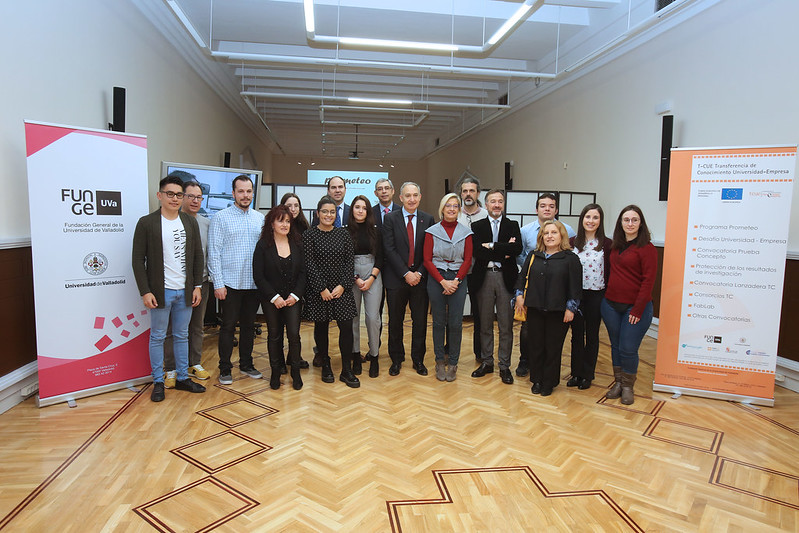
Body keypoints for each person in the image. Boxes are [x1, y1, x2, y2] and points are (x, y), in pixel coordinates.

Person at [132, 175, 206, 402]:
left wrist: (196, 286)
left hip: (185, 291)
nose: (175, 199)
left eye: (179, 195)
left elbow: (197, 256)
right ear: (160, 195)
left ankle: (183, 377)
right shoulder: (147, 223)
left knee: (182, 335)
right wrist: (145, 291)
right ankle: (158, 381)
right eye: (170, 194)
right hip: (160, 292)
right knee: (158, 336)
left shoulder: (189, 222)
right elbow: (137, 259)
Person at [208, 175, 265, 385]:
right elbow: (213, 252)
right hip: (230, 284)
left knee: (249, 326)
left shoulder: (260, 219)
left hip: (253, 284)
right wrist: (218, 283)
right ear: (233, 193)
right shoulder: (221, 218)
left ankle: (247, 364)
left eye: (248, 191)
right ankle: (225, 368)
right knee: (228, 326)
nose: (245, 195)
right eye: (241, 191)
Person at [514, 220, 582, 397]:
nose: (550, 236)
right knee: (536, 345)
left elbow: (575, 287)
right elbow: (522, 277)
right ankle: (536, 379)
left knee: (553, 347)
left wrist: (571, 308)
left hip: (558, 310)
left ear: (562, 236)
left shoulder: (571, 258)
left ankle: (549, 382)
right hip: (534, 307)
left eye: (554, 233)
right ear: (541, 237)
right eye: (546, 233)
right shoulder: (534, 255)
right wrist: (519, 295)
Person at [600, 205, 657, 405]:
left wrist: (638, 309)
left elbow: (648, 281)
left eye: (634, 220)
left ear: (640, 223)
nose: (630, 223)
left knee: (628, 348)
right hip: (611, 305)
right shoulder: (615, 245)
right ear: (620, 223)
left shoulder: (646, 248)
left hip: (635, 308)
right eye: (626, 220)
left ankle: (628, 386)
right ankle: (618, 382)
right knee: (615, 346)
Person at [303, 196, 360, 387]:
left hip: (341, 289)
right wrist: (322, 289)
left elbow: (349, 262)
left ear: (337, 214)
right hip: (320, 292)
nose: (329, 215)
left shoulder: (343, 234)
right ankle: (325, 364)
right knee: (321, 328)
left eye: (332, 212)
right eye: (325, 211)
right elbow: (309, 264)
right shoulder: (309, 235)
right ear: (318, 213)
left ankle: (346, 369)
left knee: (346, 328)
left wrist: (343, 285)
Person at [381, 182, 435, 376]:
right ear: (401, 198)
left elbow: (429, 250)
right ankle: (396, 359)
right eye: (407, 195)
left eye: (415, 195)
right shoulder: (390, 219)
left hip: (421, 279)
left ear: (420, 197)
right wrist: (406, 273)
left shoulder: (428, 220)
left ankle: (418, 360)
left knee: (419, 321)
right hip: (396, 279)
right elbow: (389, 249)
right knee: (395, 321)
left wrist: (418, 273)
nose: (411, 199)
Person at [163, 180, 212, 388]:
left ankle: (194, 363)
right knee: (171, 328)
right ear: (182, 197)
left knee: (197, 326)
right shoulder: (170, 221)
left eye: (198, 197)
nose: (194, 201)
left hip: (200, 283)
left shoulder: (207, 223)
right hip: (175, 284)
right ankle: (171, 367)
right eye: (190, 196)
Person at [470, 189, 522, 385]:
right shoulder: (477, 225)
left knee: (505, 326)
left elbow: (517, 249)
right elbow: (477, 252)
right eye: (493, 201)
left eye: (500, 201)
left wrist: (491, 246)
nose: (497, 205)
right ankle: (487, 362)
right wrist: (503, 248)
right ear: (486, 204)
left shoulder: (512, 225)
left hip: (505, 279)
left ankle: (505, 366)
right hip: (484, 279)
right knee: (484, 324)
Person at [253, 205, 306, 391]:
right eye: (280, 220)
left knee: (294, 335)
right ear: (271, 223)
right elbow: (258, 276)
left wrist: (295, 295)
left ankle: (296, 373)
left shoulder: (298, 244)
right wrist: (274, 297)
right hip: (271, 299)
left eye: (288, 221)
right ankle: (276, 372)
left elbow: (303, 273)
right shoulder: (263, 246)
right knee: (274, 336)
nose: (284, 224)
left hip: (293, 299)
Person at [423, 193, 473, 381]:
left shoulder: (466, 233)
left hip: (458, 279)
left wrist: (456, 281)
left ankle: (453, 362)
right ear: (442, 209)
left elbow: (468, 260)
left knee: (455, 323)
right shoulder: (432, 231)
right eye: (448, 206)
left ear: (459, 210)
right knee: (438, 322)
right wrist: (443, 281)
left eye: (455, 206)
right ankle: (439, 361)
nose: (451, 209)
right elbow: (427, 260)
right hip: (437, 278)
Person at [568, 203, 612, 390]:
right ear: (582, 219)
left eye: (595, 218)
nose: (591, 221)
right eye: (588, 217)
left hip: (597, 295)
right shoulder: (571, 243)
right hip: (576, 295)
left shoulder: (607, 244)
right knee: (576, 335)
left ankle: (587, 374)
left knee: (592, 335)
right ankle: (576, 373)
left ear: (600, 221)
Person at [348, 196, 384, 378]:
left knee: (372, 318)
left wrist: (371, 278)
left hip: (373, 273)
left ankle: (374, 356)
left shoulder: (376, 231)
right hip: (352, 275)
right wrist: (356, 278)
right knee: (353, 318)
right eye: (357, 207)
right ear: (352, 209)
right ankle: (355, 356)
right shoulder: (345, 231)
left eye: (364, 207)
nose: (360, 210)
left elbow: (381, 257)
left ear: (368, 211)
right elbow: (344, 259)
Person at [456, 175, 488, 365]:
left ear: (478, 193)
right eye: (465, 191)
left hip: (478, 272)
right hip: (456, 271)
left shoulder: (486, 215)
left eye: (472, 191)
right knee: (453, 312)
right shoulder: (454, 213)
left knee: (479, 313)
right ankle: (449, 348)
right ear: (461, 193)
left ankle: (480, 352)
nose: (468, 194)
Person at [278, 192, 311, 371]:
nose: (293, 209)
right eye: (289, 205)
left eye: (296, 205)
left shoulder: (305, 227)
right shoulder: (277, 228)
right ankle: (280, 360)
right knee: (279, 327)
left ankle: (293, 357)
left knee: (294, 326)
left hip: (301, 281)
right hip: (282, 282)